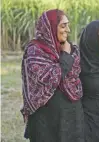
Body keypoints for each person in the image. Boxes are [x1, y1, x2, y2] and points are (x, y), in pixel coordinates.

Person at [21, 9, 84, 142]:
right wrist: (65, 56)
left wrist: (67, 54)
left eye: (68, 25)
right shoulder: (35, 51)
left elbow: (74, 76)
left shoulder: (72, 49)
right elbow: (52, 77)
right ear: (50, 27)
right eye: (63, 25)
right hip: (45, 120)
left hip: (71, 117)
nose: (68, 30)